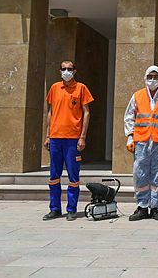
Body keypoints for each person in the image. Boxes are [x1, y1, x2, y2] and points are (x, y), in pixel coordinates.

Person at [124, 65, 158, 221]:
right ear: (145, 79)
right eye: (150, 77)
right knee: (140, 173)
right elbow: (129, 117)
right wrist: (130, 136)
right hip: (141, 141)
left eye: (156, 77)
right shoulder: (138, 96)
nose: (152, 80)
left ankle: (155, 207)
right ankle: (142, 207)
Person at [43, 61, 94, 221]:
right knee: (54, 176)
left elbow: (86, 113)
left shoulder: (81, 88)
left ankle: (71, 209)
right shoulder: (54, 88)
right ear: (60, 71)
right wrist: (48, 135)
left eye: (69, 69)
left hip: (73, 139)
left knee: (73, 176)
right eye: (64, 69)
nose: (66, 71)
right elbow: (51, 112)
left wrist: (82, 137)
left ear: (75, 71)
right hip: (56, 138)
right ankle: (55, 209)